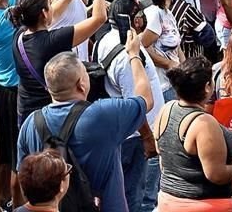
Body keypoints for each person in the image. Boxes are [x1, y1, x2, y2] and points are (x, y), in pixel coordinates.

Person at [15, 36, 153, 212]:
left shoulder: (31, 123)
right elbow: (146, 99)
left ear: (48, 89)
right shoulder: (103, 114)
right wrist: (134, 55)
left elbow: (23, 176)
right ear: (81, 85)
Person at [11, 0, 108, 123]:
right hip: (50, 116)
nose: (53, 7)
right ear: (43, 13)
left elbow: (52, 14)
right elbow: (99, 18)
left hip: (27, 114)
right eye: (50, 4)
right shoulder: (52, 41)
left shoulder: (20, 34)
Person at [97, 0, 166, 212]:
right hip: (136, 139)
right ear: (134, 20)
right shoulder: (126, 55)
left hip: (131, 135)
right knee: (138, 196)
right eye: (140, 14)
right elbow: (134, 104)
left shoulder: (109, 40)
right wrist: (147, 138)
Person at [156, 56, 232, 211]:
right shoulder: (204, 123)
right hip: (203, 205)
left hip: (166, 201)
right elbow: (216, 174)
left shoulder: (166, 109)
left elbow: (163, 158)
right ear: (207, 86)